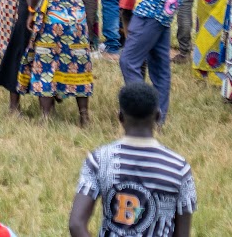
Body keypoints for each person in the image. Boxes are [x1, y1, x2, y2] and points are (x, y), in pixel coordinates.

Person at [68, 83, 195, 237]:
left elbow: (76, 224)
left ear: (120, 117)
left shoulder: (98, 160)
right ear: (158, 116)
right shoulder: (179, 167)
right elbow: (183, 233)